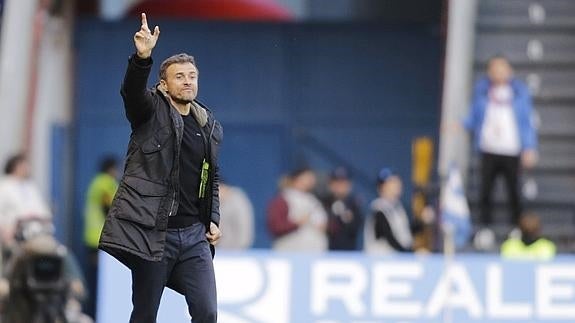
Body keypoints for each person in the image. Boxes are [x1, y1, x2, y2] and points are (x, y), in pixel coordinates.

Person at [98, 13, 223, 323]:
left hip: (194, 235)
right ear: (164, 85)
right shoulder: (150, 111)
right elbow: (131, 93)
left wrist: (214, 219)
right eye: (179, 76)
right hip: (153, 234)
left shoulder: (208, 125)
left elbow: (211, 178)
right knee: (145, 314)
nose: (188, 81)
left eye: (192, 75)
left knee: (207, 312)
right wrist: (143, 58)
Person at [464, 55, 538, 227]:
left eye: (502, 68)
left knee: (513, 190)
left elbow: (527, 122)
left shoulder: (520, 92)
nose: (498, 73)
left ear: (509, 70)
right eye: (495, 69)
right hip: (488, 148)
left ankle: (517, 227)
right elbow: (474, 117)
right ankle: (484, 227)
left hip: (511, 149)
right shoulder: (482, 91)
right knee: (485, 190)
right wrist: (460, 123)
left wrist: (529, 147)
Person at [82, 156, 119, 319]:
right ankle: (97, 315)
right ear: (111, 169)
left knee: (95, 279)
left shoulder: (96, 182)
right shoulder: (105, 184)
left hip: (92, 238)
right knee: (100, 282)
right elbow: (111, 209)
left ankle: (92, 313)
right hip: (101, 239)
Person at [364, 168, 432, 254]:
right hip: (381, 261)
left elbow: (406, 233)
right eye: (391, 183)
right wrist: (410, 254)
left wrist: (422, 221)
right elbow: (390, 238)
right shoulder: (378, 208)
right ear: (382, 187)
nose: (396, 185)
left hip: (396, 260)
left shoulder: (398, 207)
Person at [267, 168, 328, 251]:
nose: (310, 181)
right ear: (296, 179)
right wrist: (297, 223)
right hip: (290, 253)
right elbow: (276, 227)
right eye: (306, 178)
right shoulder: (283, 199)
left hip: (315, 252)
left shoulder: (313, 200)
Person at [0, 153, 51, 251]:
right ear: (15, 167)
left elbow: (44, 211)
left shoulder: (31, 187)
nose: (27, 168)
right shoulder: (5, 186)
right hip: (14, 236)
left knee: (58, 254)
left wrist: (43, 219)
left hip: (36, 233)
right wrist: (5, 230)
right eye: (24, 165)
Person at [320, 167, 363, 251]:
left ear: (349, 185)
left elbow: (357, 226)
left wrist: (348, 219)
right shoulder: (323, 202)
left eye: (343, 182)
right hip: (324, 252)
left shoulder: (354, 204)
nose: (340, 186)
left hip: (347, 252)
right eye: (337, 182)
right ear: (330, 184)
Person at [217, 182, 254, 249]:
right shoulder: (215, 203)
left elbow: (244, 228)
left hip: (236, 252)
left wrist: (239, 249)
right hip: (220, 252)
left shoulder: (238, 201)